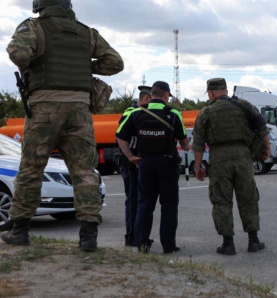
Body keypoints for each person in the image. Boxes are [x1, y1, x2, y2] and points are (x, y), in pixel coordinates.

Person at [1, 0, 124, 252]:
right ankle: (88, 237)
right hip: (80, 110)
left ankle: (20, 231)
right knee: (85, 171)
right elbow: (115, 62)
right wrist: (84, 65)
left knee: (31, 169)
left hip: (44, 107)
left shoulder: (33, 27)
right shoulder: (87, 32)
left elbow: (19, 54)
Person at [192, 78, 270, 255]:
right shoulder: (244, 105)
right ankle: (253, 241)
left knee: (221, 201)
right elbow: (263, 128)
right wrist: (267, 149)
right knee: (248, 198)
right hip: (243, 157)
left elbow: (198, 143)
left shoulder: (206, 112)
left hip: (219, 159)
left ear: (211, 92)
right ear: (225, 90)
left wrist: (198, 167)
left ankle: (228, 244)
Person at [116, 81, 189, 254]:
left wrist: (130, 157)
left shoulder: (136, 113)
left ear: (152, 94)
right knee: (169, 205)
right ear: (165, 95)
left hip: (144, 163)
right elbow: (184, 143)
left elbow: (120, 136)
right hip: (167, 163)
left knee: (144, 204)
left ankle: (142, 244)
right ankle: (168, 245)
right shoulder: (173, 114)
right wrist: (187, 146)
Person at [118, 85, 152, 246]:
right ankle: (131, 236)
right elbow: (120, 137)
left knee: (142, 200)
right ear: (146, 98)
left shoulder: (143, 113)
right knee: (133, 201)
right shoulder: (130, 113)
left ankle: (140, 235)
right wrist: (130, 156)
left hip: (141, 164)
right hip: (131, 165)